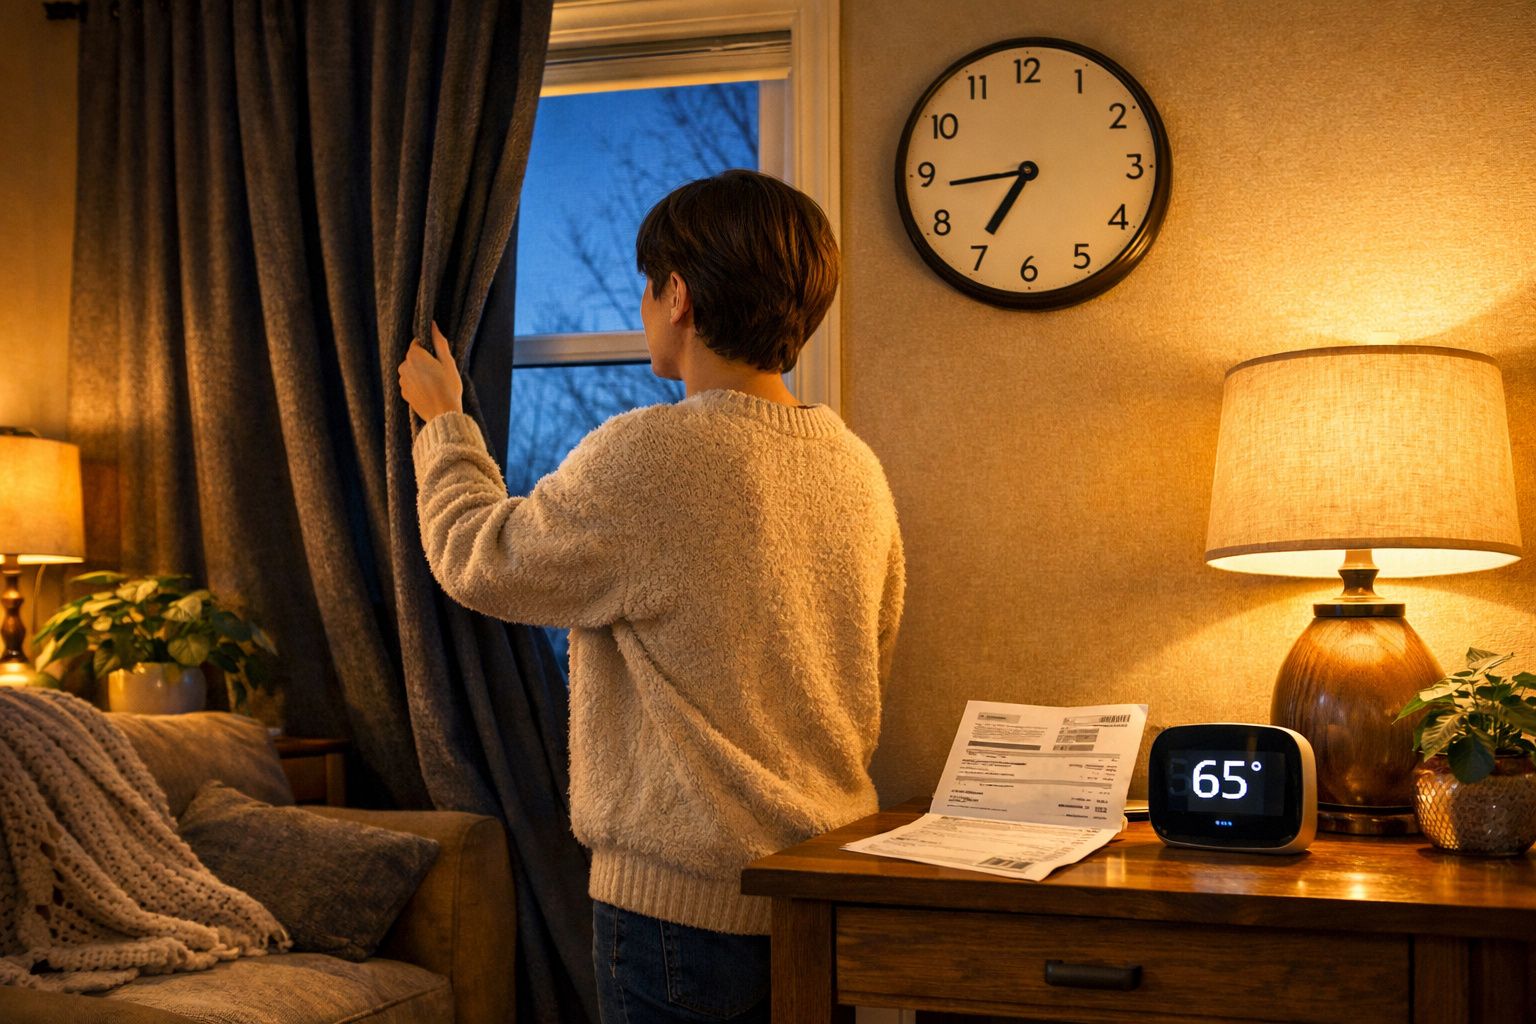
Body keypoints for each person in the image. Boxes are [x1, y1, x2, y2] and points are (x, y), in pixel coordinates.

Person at [398, 168, 905, 1024]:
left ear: (678, 296)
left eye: (646, 286)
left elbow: (478, 558)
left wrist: (446, 423)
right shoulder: (856, 470)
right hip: (820, 897)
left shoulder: (651, 455)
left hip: (680, 916)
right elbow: (868, 662)